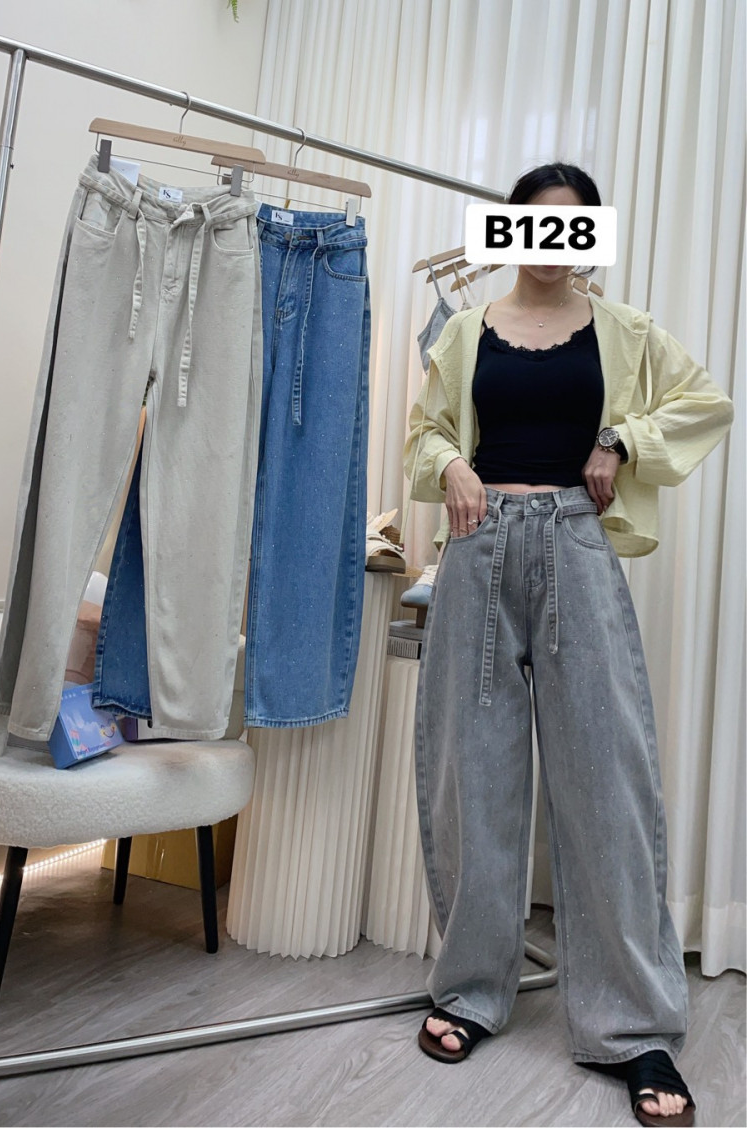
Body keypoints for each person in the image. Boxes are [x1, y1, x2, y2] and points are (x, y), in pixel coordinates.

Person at [403, 162, 733, 1128]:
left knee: (606, 785)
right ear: (509, 230)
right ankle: (470, 990)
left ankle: (634, 1029)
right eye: (536, 224)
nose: (552, 241)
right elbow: (424, 434)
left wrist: (621, 439)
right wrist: (452, 462)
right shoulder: (465, 332)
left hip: (578, 550)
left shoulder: (625, 332)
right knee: (473, 776)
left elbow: (704, 403)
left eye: (572, 226)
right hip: (477, 549)